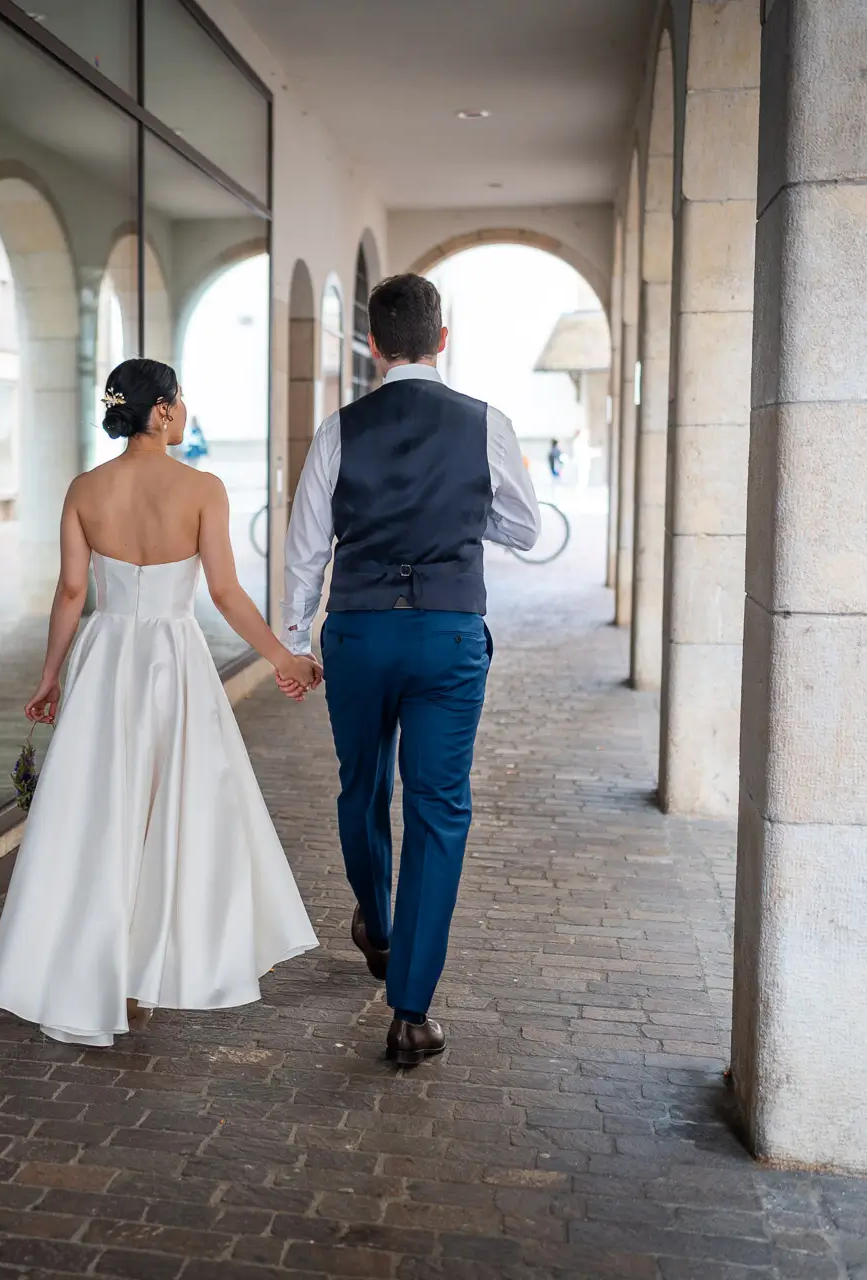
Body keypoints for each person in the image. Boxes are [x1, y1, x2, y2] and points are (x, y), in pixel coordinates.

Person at [0, 358, 321, 1046]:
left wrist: (49, 676)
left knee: (102, 811)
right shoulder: (202, 489)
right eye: (180, 398)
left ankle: (96, 970)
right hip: (172, 660)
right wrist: (283, 657)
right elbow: (223, 593)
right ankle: (145, 971)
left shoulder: (85, 488)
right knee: (168, 810)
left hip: (104, 662)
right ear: (160, 410)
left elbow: (72, 592)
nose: (185, 409)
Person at [280, 273, 540, 1067]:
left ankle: (379, 927)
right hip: (447, 635)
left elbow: (305, 548)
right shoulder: (486, 423)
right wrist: (467, 517)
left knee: (364, 786)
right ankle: (411, 1010)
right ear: (443, 338)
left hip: (358, 631)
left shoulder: (338, 429)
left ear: (372, 344)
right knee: (438, 808)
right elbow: (524, 528)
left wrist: (296, 640)